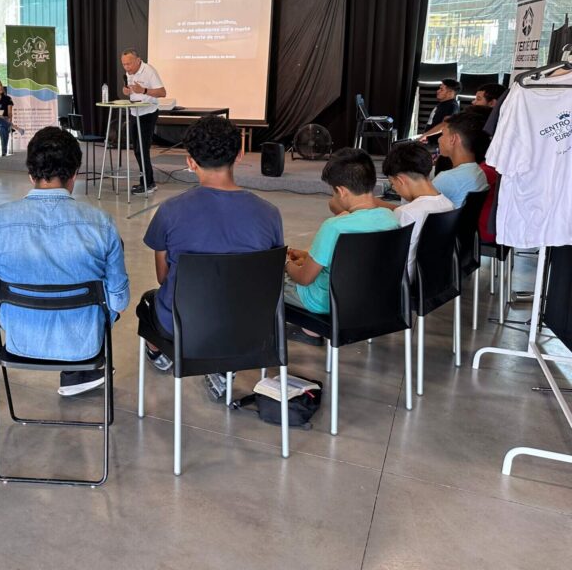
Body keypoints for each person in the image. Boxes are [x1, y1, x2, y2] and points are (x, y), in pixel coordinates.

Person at [0, 127, 130, 396]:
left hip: (20, 341)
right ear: (74, 175)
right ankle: (80, 371)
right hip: (84, 343)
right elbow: (119, 302)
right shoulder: (101, 224)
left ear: (31, 174)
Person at [137, 116, 284, 401]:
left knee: (149, 300)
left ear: (190, 161)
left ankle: (160, 352)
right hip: (250, 327)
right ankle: (219, 365)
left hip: (184, 325)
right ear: (240, 154)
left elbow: (163, 277)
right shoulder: (270, 213)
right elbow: (272, 276)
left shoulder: (170, 211)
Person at [285, 149, 399, 327]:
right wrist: (307, 258)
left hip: (324, 302)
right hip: (371, 299)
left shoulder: (334, 226)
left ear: (342, 191)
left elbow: (304, 278)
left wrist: (285, 263)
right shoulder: (391, 218)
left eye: (333, 192)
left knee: (266, 277)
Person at [381, 142, 454, 280]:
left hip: (404, 283)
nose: (394, 189)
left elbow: (391, 258)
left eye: (393, 184)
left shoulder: (406, 213)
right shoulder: (448, 204)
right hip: (434, 279)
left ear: (401, 180)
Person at [120, 48, 166, 194]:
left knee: (142, 149)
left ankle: (148, 183)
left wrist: (144, 90)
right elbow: (133, 91)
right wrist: (127, 92)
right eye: (124, 64)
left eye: (129, 64)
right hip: (134, 112)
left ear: (138, 60)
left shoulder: (149, 71)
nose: (127, 67)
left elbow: (162, 92)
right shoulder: (129, 73)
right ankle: (146, 182)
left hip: (148, 112)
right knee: (137, 150)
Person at [433, 110, 488, 208]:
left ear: (453, 139)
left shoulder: (448, 179)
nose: (439, 139)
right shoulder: (479, 172)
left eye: (443, 134)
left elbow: (414, 212)